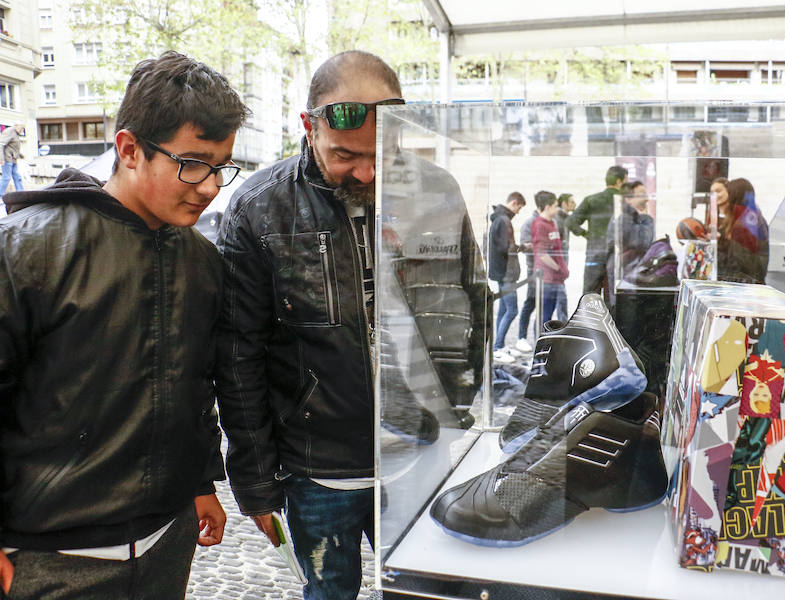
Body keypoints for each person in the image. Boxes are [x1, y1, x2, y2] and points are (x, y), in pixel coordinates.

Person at [215, 50, 485, 600]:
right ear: (308, 128)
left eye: (380, 154)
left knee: (423, 593)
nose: (365, 171)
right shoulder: (258, 209)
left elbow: (472, 305)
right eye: (345, 154)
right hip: (318, 469)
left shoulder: (436, 190)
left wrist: (461, 411)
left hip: (422, 452)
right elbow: (237, 355)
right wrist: (255, 482)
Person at [0, 51, 247, 599]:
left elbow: (194, 383)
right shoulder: (25, 248)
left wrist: (203, 480)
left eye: (222, 166)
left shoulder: (202, 259)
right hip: (51, 559)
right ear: (129, 149)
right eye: (193, 163)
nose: (210, 186)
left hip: (167, 541)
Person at [567, 165, 627, 296]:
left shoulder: (591, 200)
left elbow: (570, 222)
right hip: (619, 255)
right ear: (619, 181)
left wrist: (586, 234)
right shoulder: (625, 201)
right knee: (615, 296)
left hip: (594, 253)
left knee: (590, 296)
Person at [489, 192, 526, 363]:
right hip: (506, 273)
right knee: (512, 310)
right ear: (514, 202)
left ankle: (500, 345)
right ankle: (497, 347)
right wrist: (523, 247)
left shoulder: (499, 219)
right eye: (519, 207)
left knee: (504, 309)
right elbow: (507, 248)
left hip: (501, 272)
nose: (518, 211)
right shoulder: (504, 221)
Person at [605, 180, 655, 296]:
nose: (646, 199)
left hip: (627, 272)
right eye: (642, 194)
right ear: (628, 199)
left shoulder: (628, 217)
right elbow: (642, 243)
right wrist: (645, 218)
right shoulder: (625, 218)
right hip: (626, 273)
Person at [717, 177, 769, 284]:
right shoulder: (752, 218)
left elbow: (740, 266)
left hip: (743, 287)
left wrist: (720, 246)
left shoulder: (744, 224)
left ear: (734, 196)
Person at [531, 190, 569, 327]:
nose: (557, 209)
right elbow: (542, 253)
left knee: (555, 313)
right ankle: (539, 344)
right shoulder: (540, 224)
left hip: (557, 279)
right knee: (544, 316)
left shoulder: (552, 224)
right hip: (547, 280)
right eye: (555, 205)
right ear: (547, 207)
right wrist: (558, 268)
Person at [514, 202, 539, 354]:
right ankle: (521, 337)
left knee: (542, 304)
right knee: (530, 303)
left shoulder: (549, 222)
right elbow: (525, 247)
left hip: (547, 273)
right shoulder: (529, 223)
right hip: (534, 270)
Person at [0, 123, 26, 198]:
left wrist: (21, 155)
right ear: (16, 126)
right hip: (7, 159)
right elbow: (1, 145)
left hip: (13, 159)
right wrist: (1, 158)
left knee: (17, 176)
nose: (22, 131)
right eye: (21, 129)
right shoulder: (9, 132)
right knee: (6, 177)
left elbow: (12, 147)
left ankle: (21, 193)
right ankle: (0, 194)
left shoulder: (16, 133)